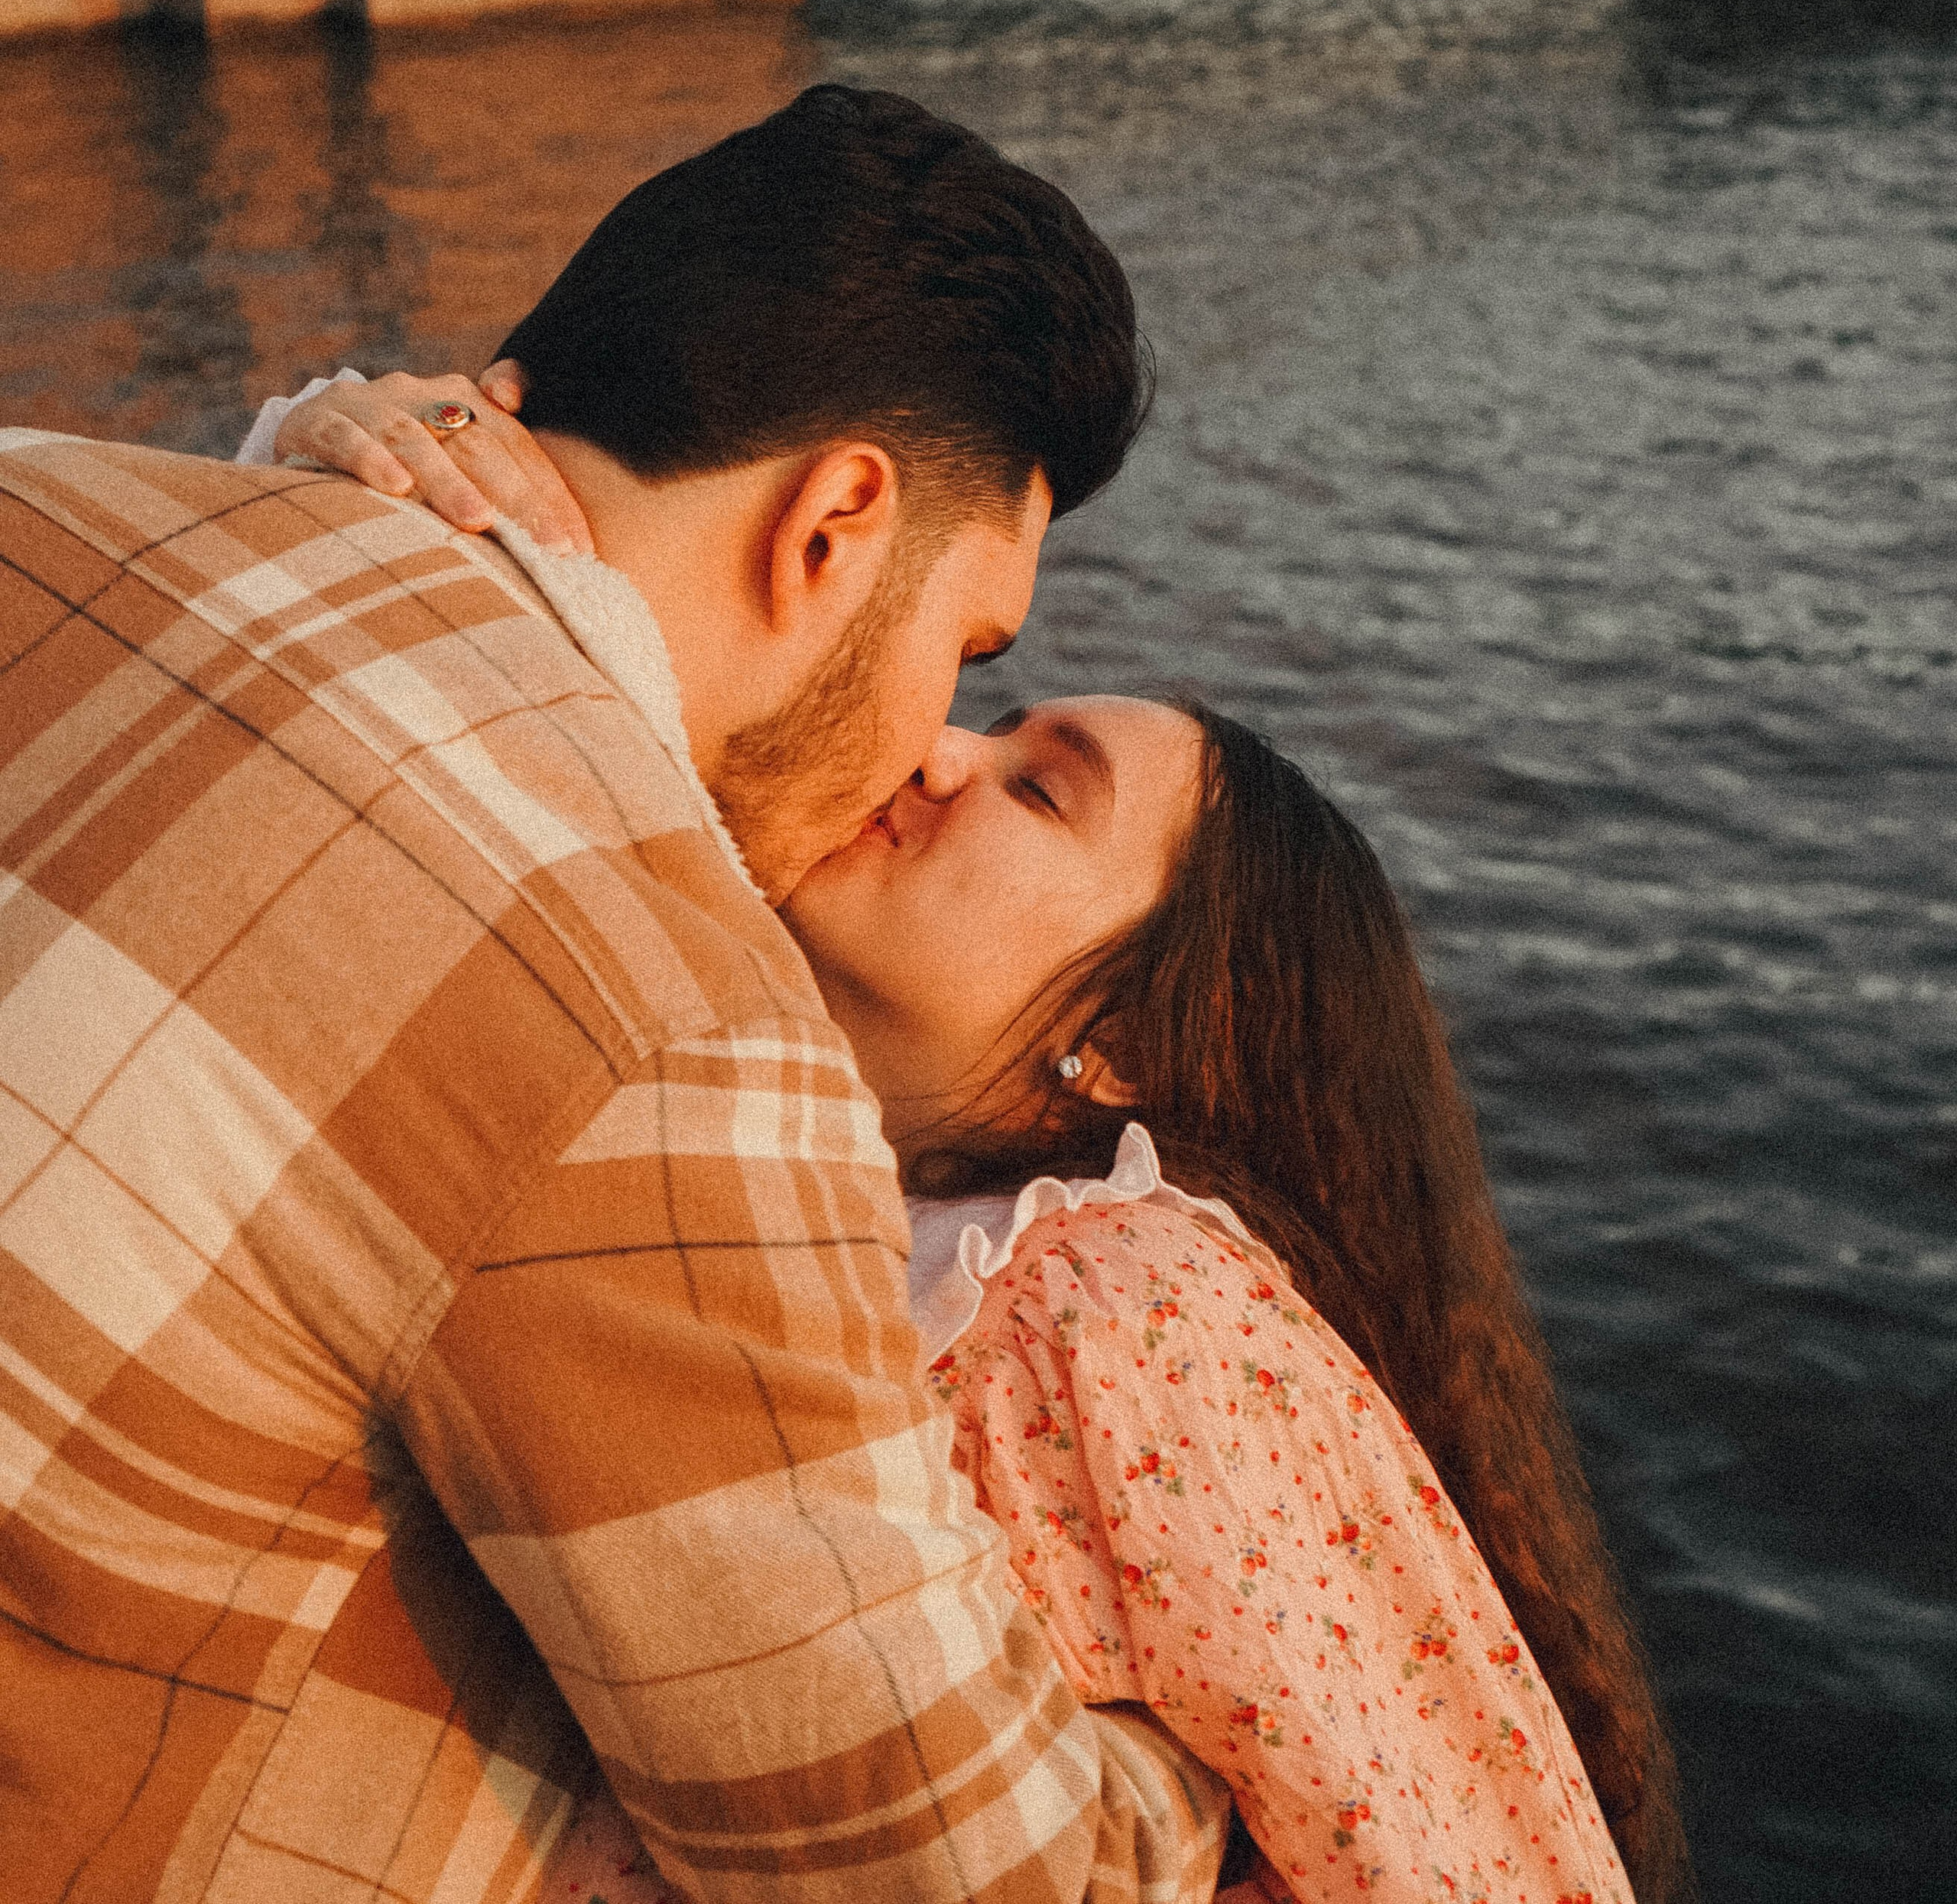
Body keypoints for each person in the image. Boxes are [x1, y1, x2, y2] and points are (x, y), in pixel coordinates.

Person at [0, 87, 1245, 1904]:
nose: (931, 741)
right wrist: (1211, 1766)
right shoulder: (659, 1018)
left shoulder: (38, 490)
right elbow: (948, 1874)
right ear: (833, 525)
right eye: (967, 646)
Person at [260, 362, 1698, 1900]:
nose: (940, 748)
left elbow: (1439, 1852)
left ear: (1132, 1043)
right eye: (993, 718)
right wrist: (345, 462)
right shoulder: (754, 1159)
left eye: (1041, 793)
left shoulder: (1123, 1305)